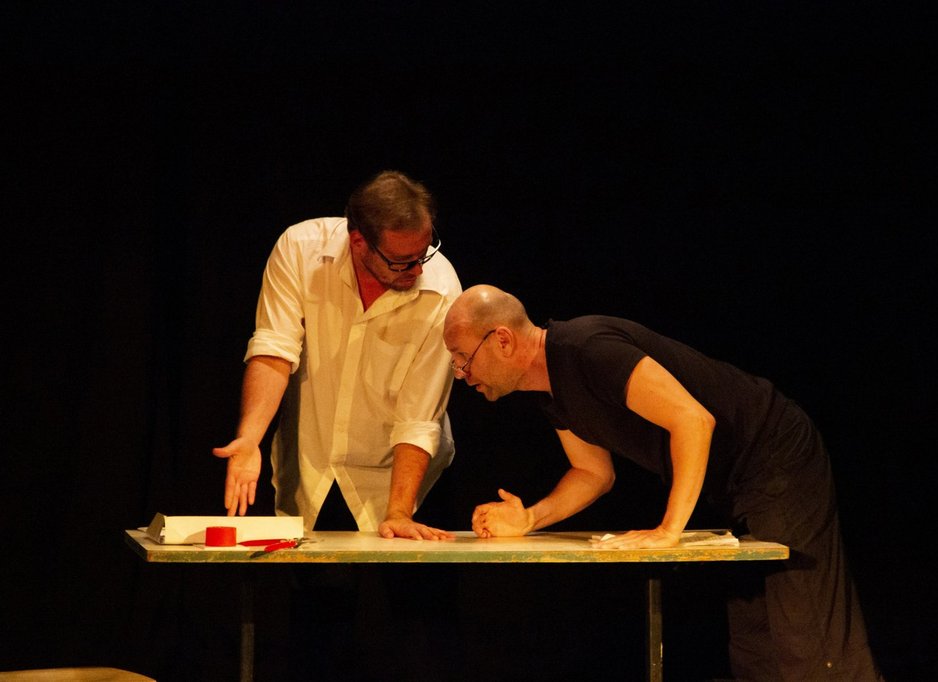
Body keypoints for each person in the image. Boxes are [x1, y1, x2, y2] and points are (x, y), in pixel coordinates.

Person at [443, 284, 884, 681]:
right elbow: (593, 473)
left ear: (502, 339)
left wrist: (668, 530)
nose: (462, 374)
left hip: (775, 455)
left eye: (463, 357)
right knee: (757, 648)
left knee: (808, 639)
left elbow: (693, 420)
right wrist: (530, 519)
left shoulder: (587, 349)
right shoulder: (552, 393)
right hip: (732, 484)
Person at [213, 170, 461, 540]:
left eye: (424, 253)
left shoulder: (441, 291)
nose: (418, 269)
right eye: (402, 261)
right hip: (312, 469)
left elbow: (419, 417)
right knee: (311, 577)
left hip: (404, 479)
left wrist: (398, 512)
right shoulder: (301, 250)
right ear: (358, 242)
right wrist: (250, 439)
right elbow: (275, 348)